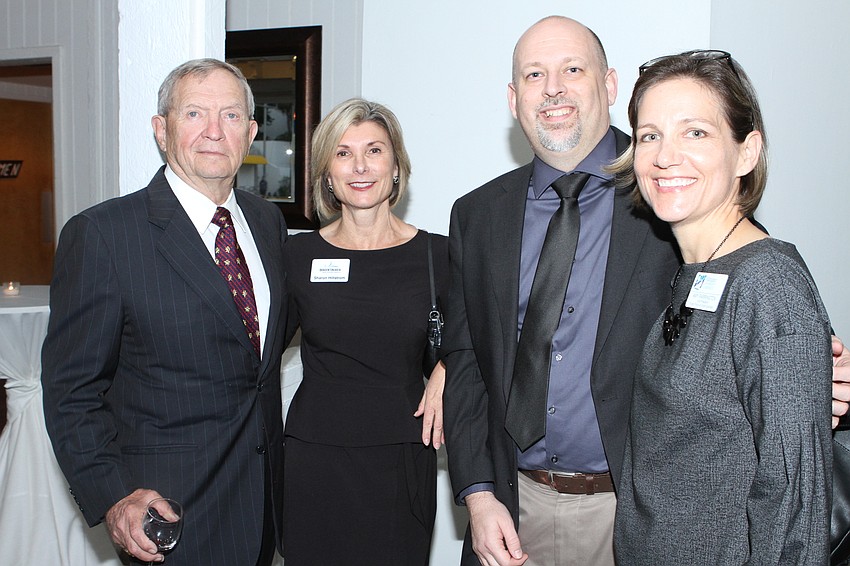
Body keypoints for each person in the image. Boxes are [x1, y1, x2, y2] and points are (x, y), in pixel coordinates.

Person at [442, 15, 849, 566]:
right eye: (535, 74)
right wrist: (477, 489)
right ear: (514, 99)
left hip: (633, 510)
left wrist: (817, 375)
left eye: (572, 68)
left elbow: (758, 298)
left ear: (608, 86)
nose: (554, 87)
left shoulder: (667, 193)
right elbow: (468, 355)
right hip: (515, 505)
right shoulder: (476, 215)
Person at [41, 58, 288, 566]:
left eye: (232, 116)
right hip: (169, 517)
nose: (214, 132)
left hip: (264, 511)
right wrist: (114, 496)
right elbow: (71, 390)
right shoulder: (104, 235)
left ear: (252, 131)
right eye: (194, 113)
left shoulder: (266, 224)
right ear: (161, 129)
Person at [611, 49, 833, 564]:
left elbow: (797, 503)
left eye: (695, 132)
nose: (666, 156)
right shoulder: (694, 273)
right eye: (650, 135)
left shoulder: (767, 282)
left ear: (747, 151)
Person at [281, 98, 448, 565]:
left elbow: (480, 338)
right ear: (327, 174)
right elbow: (253, 351)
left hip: (400, 458)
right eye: (343, 152)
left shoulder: (439, 256)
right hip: (314, 460)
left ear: (397, 167)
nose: (359, 166)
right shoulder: (296, 256)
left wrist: (447, 368)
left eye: (374, 151)